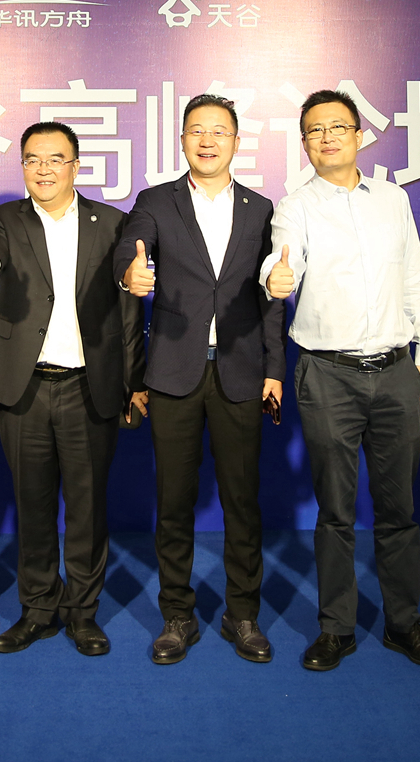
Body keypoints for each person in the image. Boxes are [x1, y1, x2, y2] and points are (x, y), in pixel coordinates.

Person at [264, 89, 420, 672]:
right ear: (304, 143)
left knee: (399, 510)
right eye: (315, 130)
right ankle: (336, 629)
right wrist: (277, 278)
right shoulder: (295, 206)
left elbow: (415, 279)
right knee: (335, 511)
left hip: (395, 371)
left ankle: (404, 624)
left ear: (360, 135)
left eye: (338, 127)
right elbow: (281, 260)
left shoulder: (393, 200)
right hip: (328, 375)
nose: (327, 138)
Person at [113, 93, 286, 665]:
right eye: (196, 130)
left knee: (242, 501)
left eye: (218, 131)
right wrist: (130, 271)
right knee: (173, 501)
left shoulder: (262, 209)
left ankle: (243, 614)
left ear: (236, 141)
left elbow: (270, 295)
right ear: (182, 139)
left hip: (242, 371)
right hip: (172, 372)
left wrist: (274, 369)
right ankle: (177, 616)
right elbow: (131, 247)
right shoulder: (155, 201)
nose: (207, 141)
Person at [0, 122, 142, 656]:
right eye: (32, 160)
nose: (42, 170)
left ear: (76, 166)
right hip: (24, 388)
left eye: (54, 159)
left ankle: (82, 613)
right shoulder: (1, 220)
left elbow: (128, 312)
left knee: (87, 509)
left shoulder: (111, 223)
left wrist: (132, 383)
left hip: (89, 386)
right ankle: (38, 609)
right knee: (33, 505)